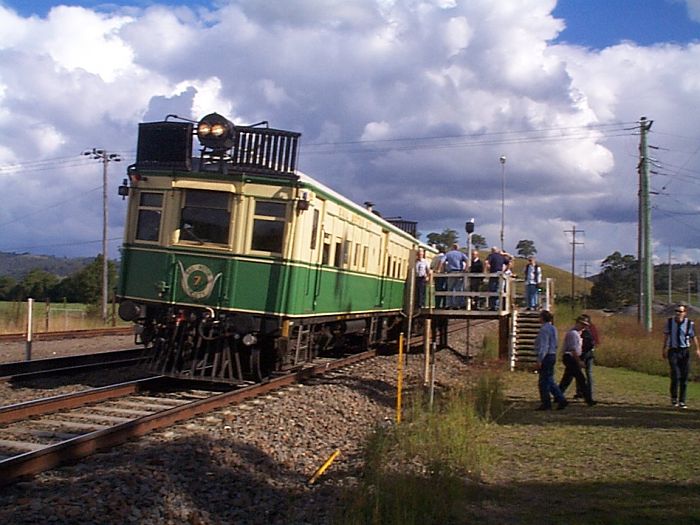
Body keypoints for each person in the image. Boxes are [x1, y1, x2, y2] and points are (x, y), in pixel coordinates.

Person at [662, 304, 700, 408]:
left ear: (685, 313)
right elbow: (666, 336)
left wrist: (697, 349)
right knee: (675, 375)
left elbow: (693, 337)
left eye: (680, 311)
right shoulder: (669, 322)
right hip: (673, 350)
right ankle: (674, 399)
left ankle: (682, 400)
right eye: (676, 311)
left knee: (684, 376)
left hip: (684, 351)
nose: (678, 313)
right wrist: (664, 348)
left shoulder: (689, 324)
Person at [558, 315, 596, 406]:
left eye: (585, 325)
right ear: (577, 323)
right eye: (582, 324)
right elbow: (573, 350)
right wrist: (579, 361)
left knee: (567, 378)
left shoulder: (578, 333)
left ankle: (558, 395)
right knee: (581, 379)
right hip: (570, 358)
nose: (584, 327)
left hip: (572, 357)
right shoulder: (573, 334)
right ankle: (588, 400)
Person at [534, 310, 567, 410]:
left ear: (542, 318)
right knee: (549, 380)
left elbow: (544, 345)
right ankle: (561, 399)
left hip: (546, 356)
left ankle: (546, 403)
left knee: (543, 381)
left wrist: (540, 359)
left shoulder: (544, 330)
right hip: (552, 354)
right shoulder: (553, 328)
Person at [576, 313, 599, 401]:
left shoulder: (581, 330)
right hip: (590, 354)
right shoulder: (593, 328)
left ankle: (580, 392)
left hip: (582, 353)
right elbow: (596, 340)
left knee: (579, 373)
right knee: (589, 373)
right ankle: (589, 392)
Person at [440, 243, 468, 308]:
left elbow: (441, 261)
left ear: (452, 247)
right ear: (458, 248)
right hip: (459, 272)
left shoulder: (448, 254)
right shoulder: (461, 254)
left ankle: (449, 304)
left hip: (451, 272)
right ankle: (457, 305)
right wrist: (466, 269)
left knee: (450, 288)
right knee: (458, 289)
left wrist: (442, 269)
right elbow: (467, 260)